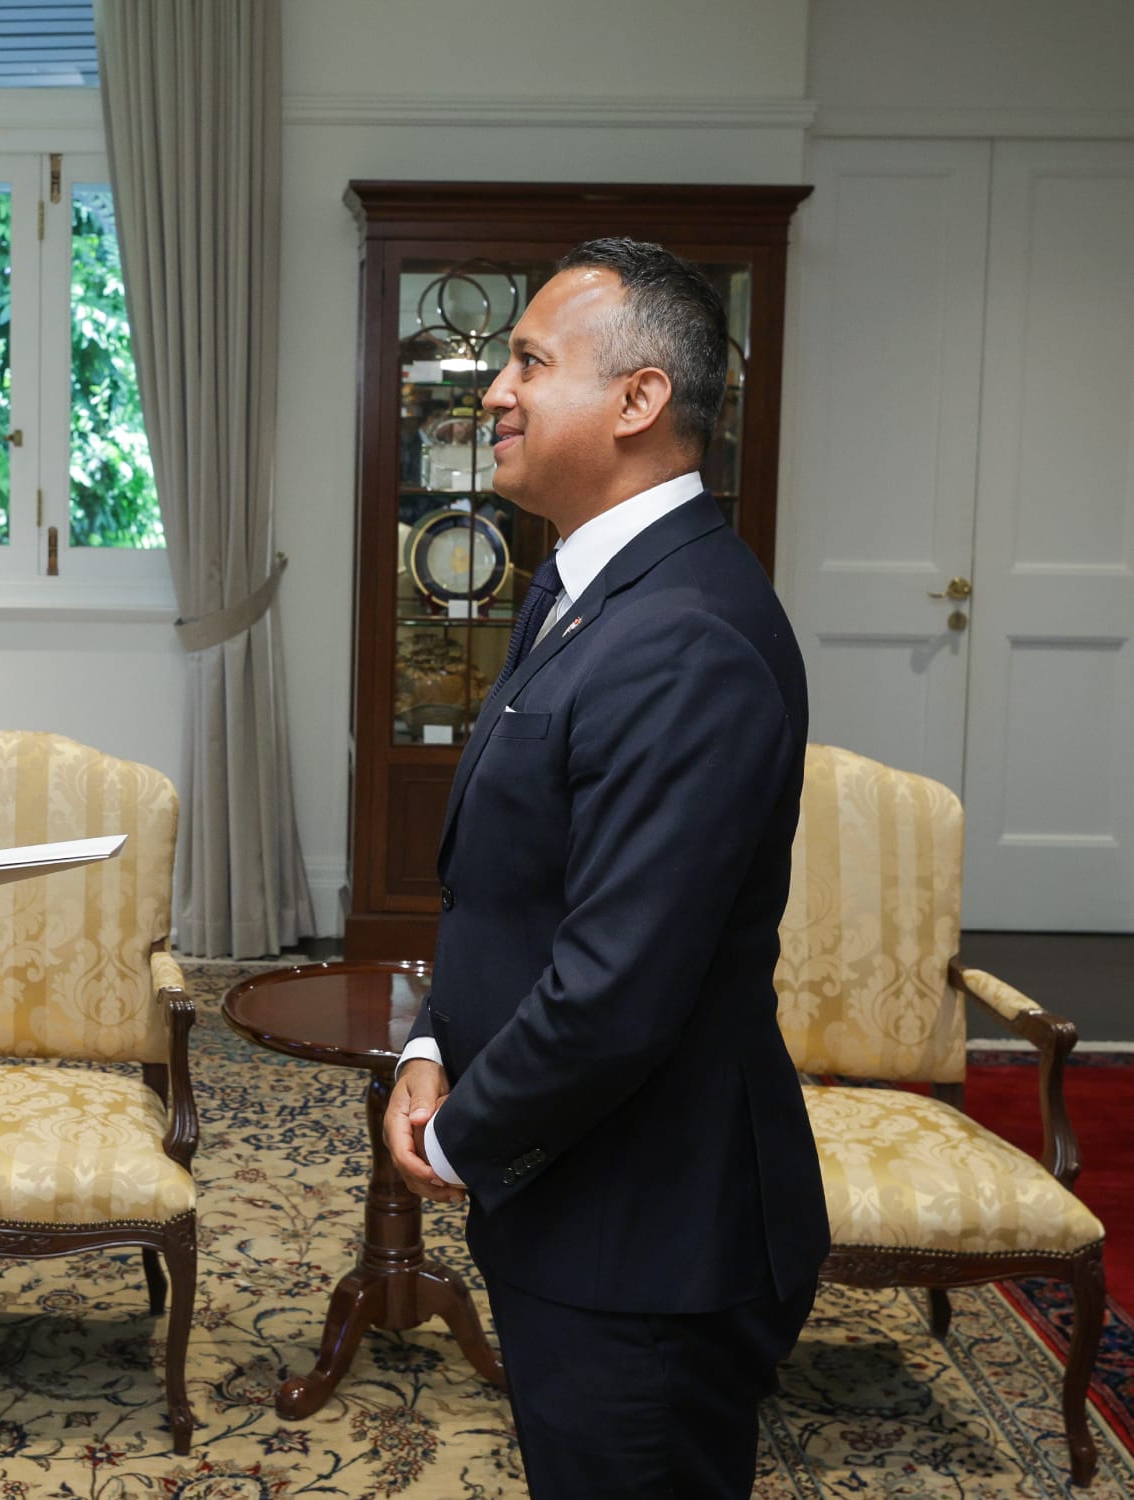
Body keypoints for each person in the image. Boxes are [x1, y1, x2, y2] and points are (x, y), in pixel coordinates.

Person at [380, 238, 827, 1497]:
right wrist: (432, 1041)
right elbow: (513, 884)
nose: (493, 391)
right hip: (585, 1208)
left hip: (650, 1242)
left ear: (638, 400)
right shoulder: (587, 588)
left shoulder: (686, 636)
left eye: (529, 362)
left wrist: (457, 1138)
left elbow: (617, 987)